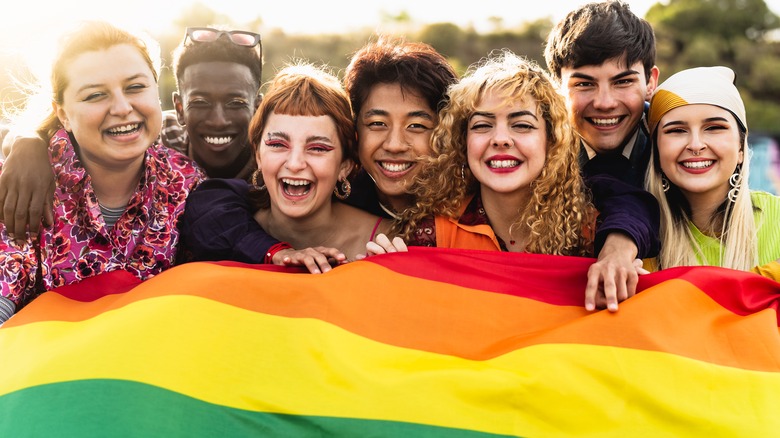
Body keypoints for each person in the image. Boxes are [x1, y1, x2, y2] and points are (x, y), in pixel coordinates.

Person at [369, 50, 647, 310]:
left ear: (551, 141)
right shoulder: (432, 233)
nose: (500, 139)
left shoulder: (593, 233)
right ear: (462, 142)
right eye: (482, 125)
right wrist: (383, 278)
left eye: (521, 125)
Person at [0, 21, 204, 324]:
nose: (122, 108)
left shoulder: (186, 180)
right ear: (64, 115)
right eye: (96, 95)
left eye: (135, 87)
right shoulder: (23, 182)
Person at [0, 25, 267, 241]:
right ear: (179, 108)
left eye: (236, 103)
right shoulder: (159, 134)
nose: (218, 121)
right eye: (95, 94)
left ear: (258, 107)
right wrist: (28, 143)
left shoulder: (279, 155)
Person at [178, 63, 393, 273]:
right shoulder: (227, 221)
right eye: (278, 145)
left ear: (345, 165)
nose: (295, 164)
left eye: (317, 148)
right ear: (258, 155)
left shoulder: (389, 239)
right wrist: (275, 252)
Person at [644, 66, 780, 278]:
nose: (696, 145)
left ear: (741, 148)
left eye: (714, 127)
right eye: (677, 131)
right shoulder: (640, 241)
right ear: (657, 150)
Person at [544, 0, 660, 187]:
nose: (604, 103)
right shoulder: (535, 159)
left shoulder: (678, 154)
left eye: (623, 82)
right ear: (557, 88)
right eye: (584, 84)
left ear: (650, 82)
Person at [342, 36, 458, 218]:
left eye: (416, 126)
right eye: (378, 124)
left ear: (445, 133)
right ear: (355, 129)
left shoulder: (473, 209)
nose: (394, 145)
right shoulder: (333, 199)